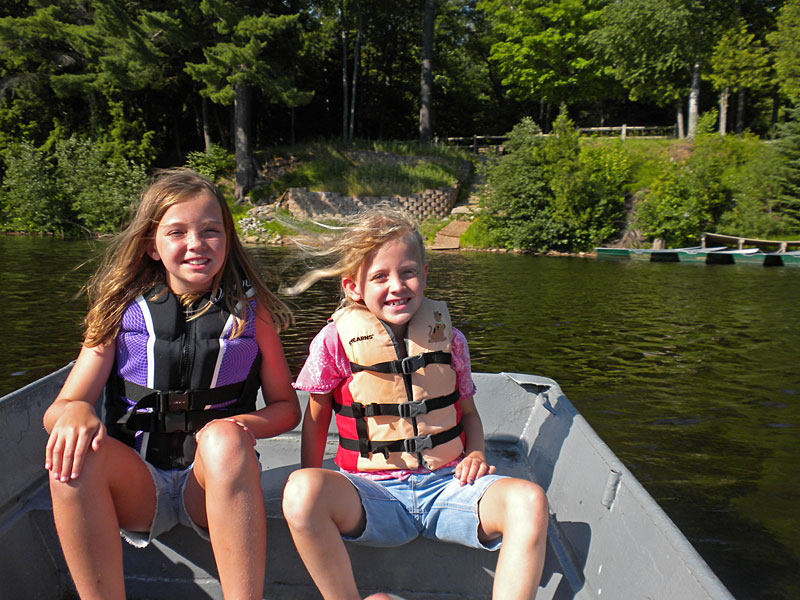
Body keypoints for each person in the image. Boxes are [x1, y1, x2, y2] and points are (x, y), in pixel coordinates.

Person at [43, 168, 300, 600]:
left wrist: (236, 428)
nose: (196, 243)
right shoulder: (117, 313)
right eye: (177, 232)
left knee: (223, 440)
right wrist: (74, 413)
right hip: (139, 486)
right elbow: (62, 405)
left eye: (210, 231)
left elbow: (286, 408)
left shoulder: (253, 316)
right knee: (72, 454)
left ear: (227, 240)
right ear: (152, 245)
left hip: (213, 484)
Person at [281, 207, 548, 600]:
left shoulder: (450, 338)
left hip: (449, 487)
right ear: (354, 287)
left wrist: (475, 451)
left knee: (529, 500)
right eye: (380, 277)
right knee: (302, 490)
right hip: (372, 495)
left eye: (407, 272)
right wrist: (316, 479)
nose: (397, 286)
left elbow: (468, 413)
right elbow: (317, 418)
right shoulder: (333, 341)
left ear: (424, 275)